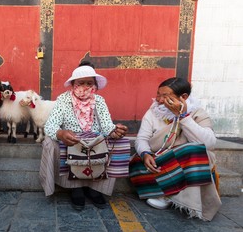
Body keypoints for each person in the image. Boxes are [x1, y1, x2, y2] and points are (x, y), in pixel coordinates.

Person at [129, 77, 221, 221]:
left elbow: (208, 143)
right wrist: (145, 153)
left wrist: (183, 117)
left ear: (183, 97)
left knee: (193, 151)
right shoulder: (153, 112)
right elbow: (142, 139)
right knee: (136, 162)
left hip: (186, 160)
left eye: (165, 96)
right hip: (160, 159)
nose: (159, 100)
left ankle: (168, 195)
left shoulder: (197, 113)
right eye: (159, 94)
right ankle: (170, 192)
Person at [40, 62, 128, 210]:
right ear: (73, 84)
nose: (85, 87)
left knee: (122, 142)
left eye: (90, 83)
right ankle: (76, 188)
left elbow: (107, 126)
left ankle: (95, 189)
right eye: (81, 83)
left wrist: (115, 131)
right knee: (49, 142)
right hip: (71, 138)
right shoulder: (63, 99)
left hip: (95, 138)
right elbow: (50, 125)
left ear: (95, 85)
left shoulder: (99, 101)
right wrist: (61, 133)